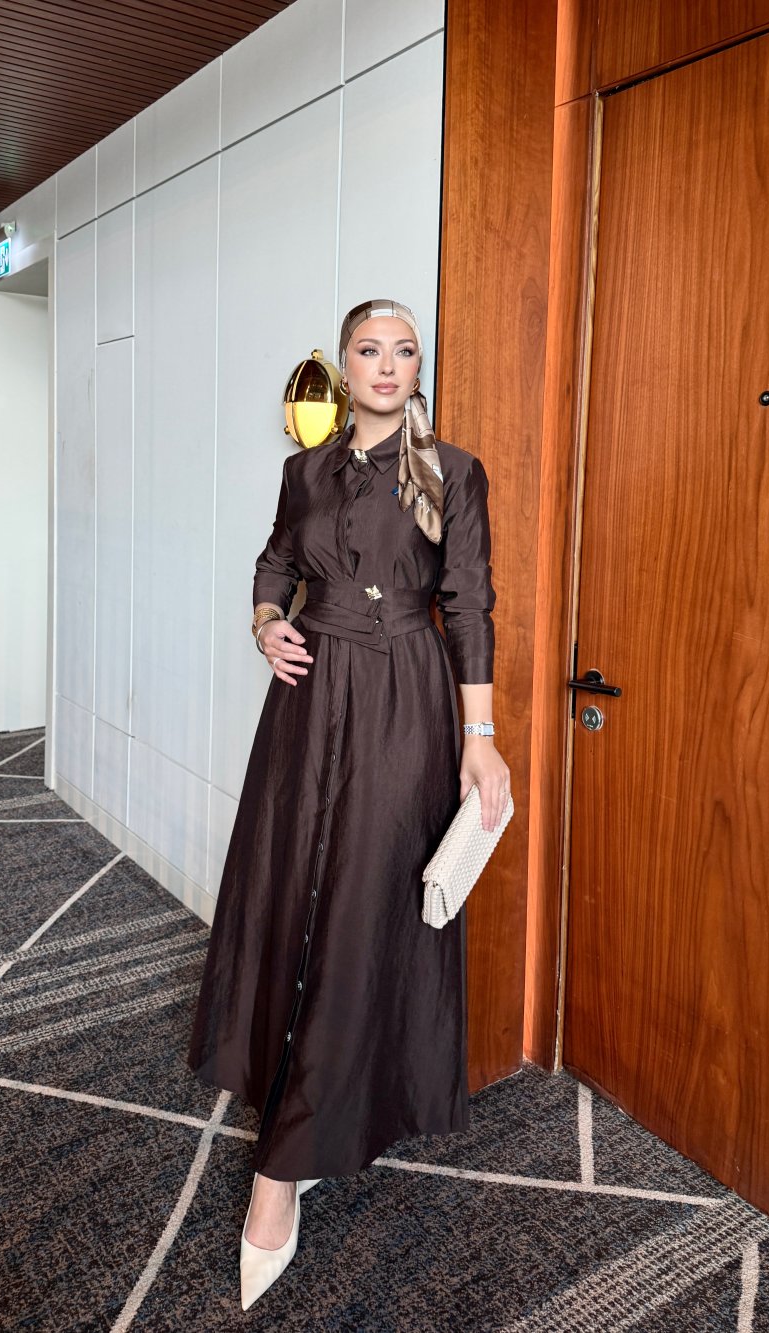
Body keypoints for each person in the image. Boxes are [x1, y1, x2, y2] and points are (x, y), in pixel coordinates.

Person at [186, 298, 510, 1310]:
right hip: (308, 698)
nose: (387, 364)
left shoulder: (453, 471)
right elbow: (276, 560)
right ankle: (302, 1114)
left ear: (417, 368)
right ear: (343, 365)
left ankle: (282, 1168)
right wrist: (264, 624)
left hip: (405, 702)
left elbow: (468, 603)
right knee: (293, 898)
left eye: (404, 350)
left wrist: (480, 737)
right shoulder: (306, 471)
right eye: (369, 349)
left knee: (363, 908)